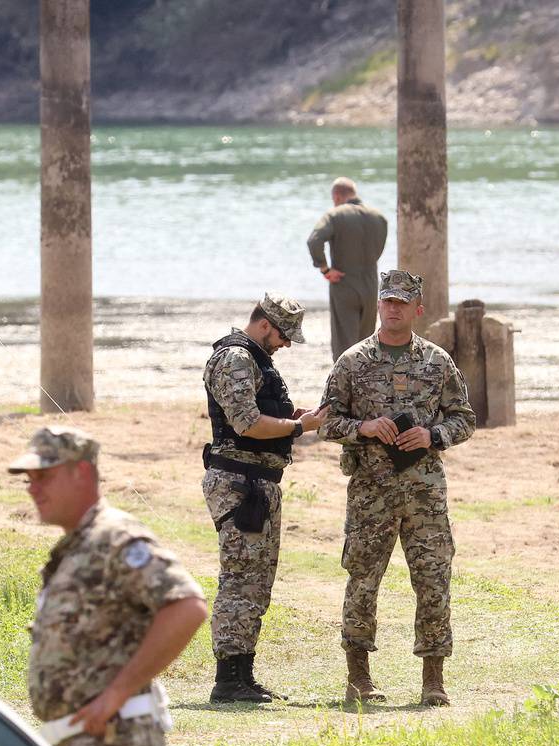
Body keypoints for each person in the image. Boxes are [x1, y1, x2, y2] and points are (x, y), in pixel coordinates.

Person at [11, 425, 207, 746]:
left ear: (81, 473)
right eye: (29, 480)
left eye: (45, 476)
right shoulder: (78, 545)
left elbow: (186, 606)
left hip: (113, 742)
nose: (33, 488)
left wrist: (116, 693)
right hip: (76, 742)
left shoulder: (115, 538)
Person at [319, 269, 476, 707]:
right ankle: (359, 678)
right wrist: (364, 427)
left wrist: (432, 436)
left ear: (417, 310)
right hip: (371, 493)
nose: (392, 308)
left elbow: (464, 419)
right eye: (387, 301)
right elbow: (326, 423)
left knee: (432, 581)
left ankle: (433, 679)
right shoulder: (352, 362)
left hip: (424, 493)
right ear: (379, 305)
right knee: (363, 580)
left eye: (401, 303)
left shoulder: (436, 362)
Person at [201, 292, 328, 703]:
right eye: (284, 335)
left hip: (254, 482)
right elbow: (247, 423)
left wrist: (293, 418)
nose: (287, 344)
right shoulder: (237, 359)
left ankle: (243, 674)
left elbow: (259, 416)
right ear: (264, 324)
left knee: (256, 581)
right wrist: (298, 428)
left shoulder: (255, 360)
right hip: (241, 483)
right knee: (241, 578)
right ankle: (229, 679)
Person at [307, 177, 389, 359]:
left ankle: (343, 384)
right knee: (367, 343)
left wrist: (325, 269)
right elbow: (379, 248)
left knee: (344, 344)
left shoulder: (335, 215)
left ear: (336, 196)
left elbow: (314, 241)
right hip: (370, 284)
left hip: (343, 282)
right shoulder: (379, 217)